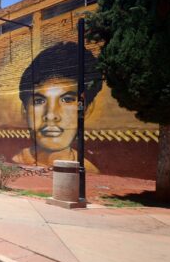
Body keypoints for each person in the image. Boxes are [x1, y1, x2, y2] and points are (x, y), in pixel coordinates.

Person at [12, 42, 103, 172]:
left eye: (67, 100)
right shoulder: (15, 160)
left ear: (86, 109)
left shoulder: (91, 171)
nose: (50, 115)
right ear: (24, 110)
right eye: (39, 101)